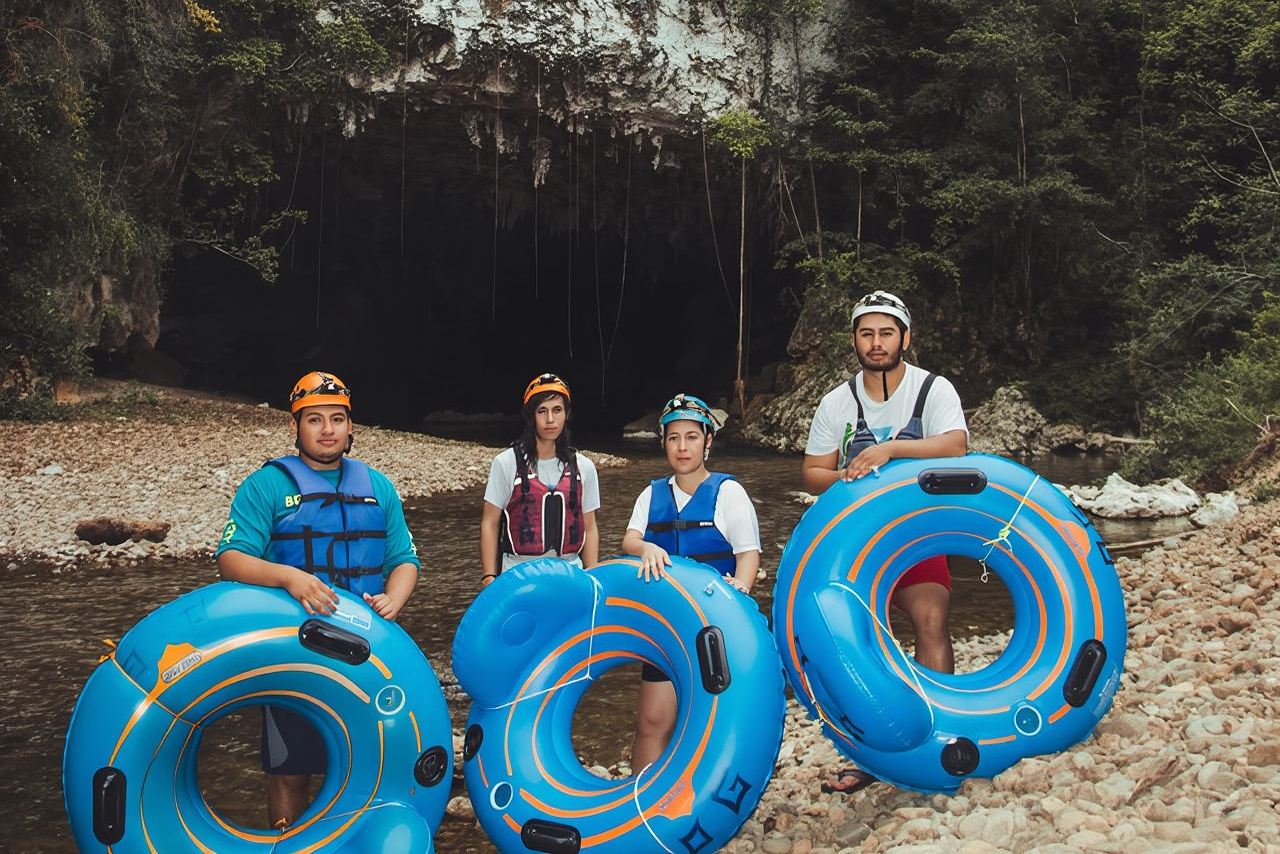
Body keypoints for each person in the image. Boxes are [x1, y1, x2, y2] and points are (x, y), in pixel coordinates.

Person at [215, 371, 421, 828]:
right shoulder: (265, 486)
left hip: (367, 653)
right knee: (291, 770)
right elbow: (231, 559)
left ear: (351, 427)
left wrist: (395, 599)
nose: (327, 429)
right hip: (296, 650)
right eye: (314, 419)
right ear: (296, 427)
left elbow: (404, 559)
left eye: (336, 419)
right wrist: (289, 577)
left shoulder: (379, 487)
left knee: (363, 767)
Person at [801, 290, 967, 791]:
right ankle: (876, 755)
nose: (877, 343)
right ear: (854, 340)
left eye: (886, 332)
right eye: (867, 333)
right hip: (853, 548)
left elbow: (957, 446)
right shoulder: (837, 402)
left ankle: (942, 735)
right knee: (860, 644)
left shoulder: (932, 390)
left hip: (916, 538)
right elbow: (812, 473)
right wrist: (849, 475)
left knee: (931, 620)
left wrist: (890, 451)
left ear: (905, 338)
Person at [622, 393, 762, 769]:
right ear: (663, 442)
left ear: (708, 441)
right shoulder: (651, 495)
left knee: (712, 723)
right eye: (673, 438)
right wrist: (646, 547)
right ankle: (644, 811)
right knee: (652, 723)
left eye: (692, 437)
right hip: (667, 629)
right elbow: (629, 540)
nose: (682, 447)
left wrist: (742, 591)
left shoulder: (728, 493)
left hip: (715, 631)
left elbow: (749, 553)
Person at [479, 373, 600, 585]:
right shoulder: (505, 463)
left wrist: (591, 576)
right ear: (530, 416)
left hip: (570, 573)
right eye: (542, 411)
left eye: (557, 410)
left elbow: (590, 527)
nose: (550, 419)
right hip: (518, 575)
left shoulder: (585, 467)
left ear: (567, 414)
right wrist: (489, 577)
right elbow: (490, 522)